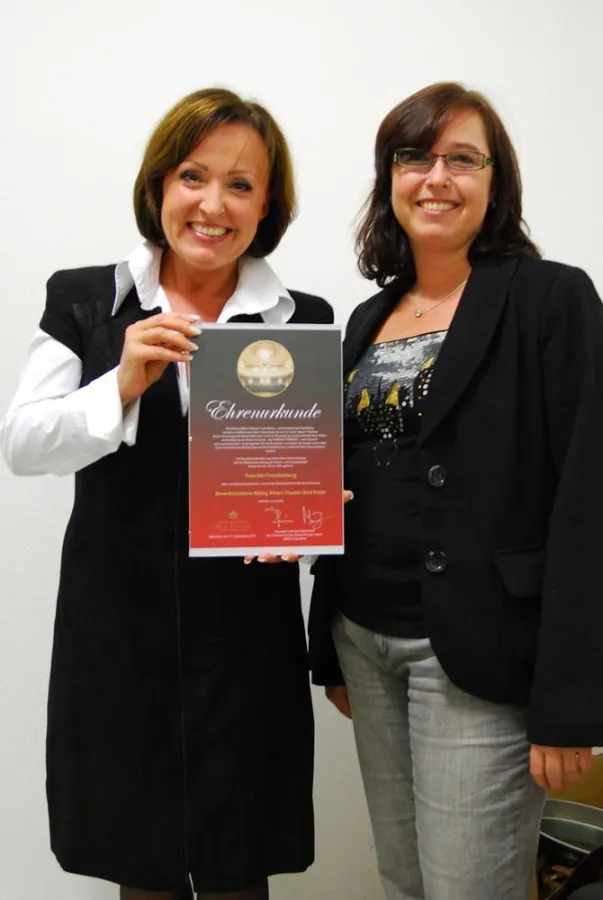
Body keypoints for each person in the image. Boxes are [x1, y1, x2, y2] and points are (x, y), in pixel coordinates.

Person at [1, 88, 333, 900]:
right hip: (119, 628)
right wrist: (119, 381)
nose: (212, 205)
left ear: (268, 206)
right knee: (139, 856)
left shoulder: (301, 319)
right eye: (193, 175)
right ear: (159, 186)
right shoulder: (86, 298)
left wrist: (317, 512)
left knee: (238, 858)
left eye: (241, 185)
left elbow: (313, 480)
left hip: (246, 634)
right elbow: (21, 446)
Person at [308, 81, 603, 900]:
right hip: (364, 639)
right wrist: (324, 643)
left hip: (479, 652)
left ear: (493, 182)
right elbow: (347, 476)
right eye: (414, 157)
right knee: (404, 881)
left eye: (461, 159)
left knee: (469, 889)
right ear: (389, 180)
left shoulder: (551, 299)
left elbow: (589, 498)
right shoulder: (366, 318)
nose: (435, 177)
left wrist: (572, 701)